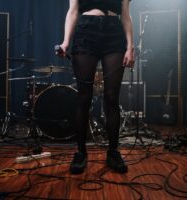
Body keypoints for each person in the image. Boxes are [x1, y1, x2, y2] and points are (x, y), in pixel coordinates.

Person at [57, 0, 135, 174]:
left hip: (114, 33)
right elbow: (73, 11)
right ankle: (80, 153)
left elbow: (126, 14)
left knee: (112, 97)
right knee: (84, 97)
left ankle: (113, 153)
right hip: (86, 30)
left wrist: (130, 47)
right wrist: (65, 42)